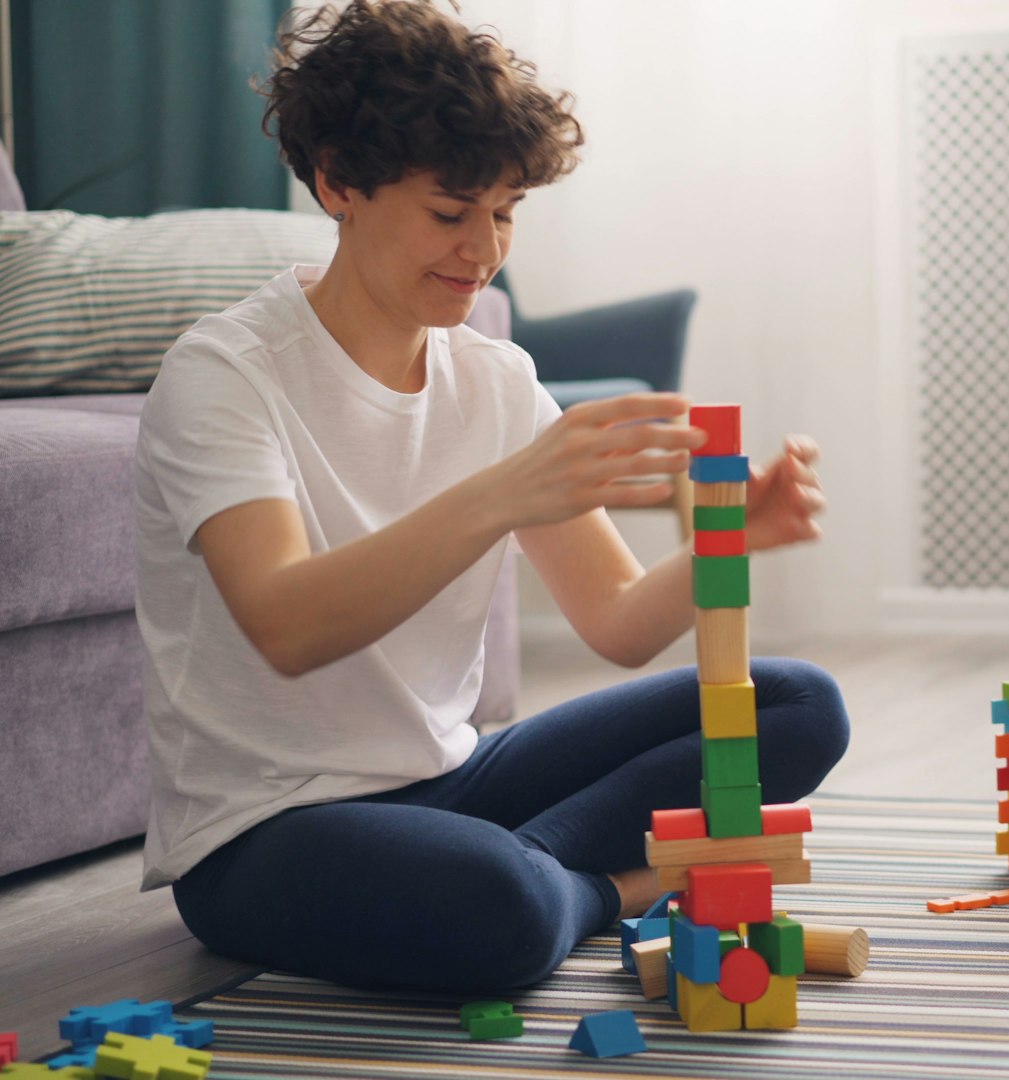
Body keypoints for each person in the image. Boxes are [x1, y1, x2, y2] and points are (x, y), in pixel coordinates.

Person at [133, 0, 848, 991]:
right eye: (448, 212)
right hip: (262, 834)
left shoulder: (495, 376)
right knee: (498, 907)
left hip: (454, 782)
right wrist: (502, 493)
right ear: (339, 181)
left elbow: (620, 623)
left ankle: (538, 865)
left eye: (504, 212)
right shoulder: (226, 373)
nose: (483, 249)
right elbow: (286, 625)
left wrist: (736, 540)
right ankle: (615, 888)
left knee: (802, 704)